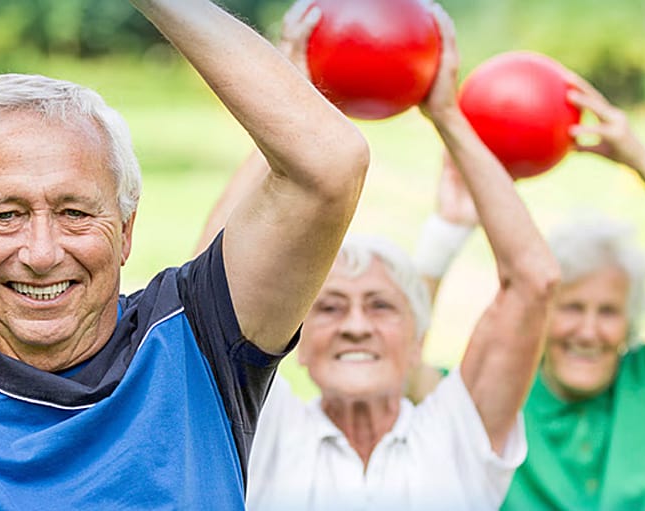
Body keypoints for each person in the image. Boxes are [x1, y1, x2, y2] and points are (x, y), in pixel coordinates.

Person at [0, 0, 371, 509]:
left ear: (125, 228)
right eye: (5, 215)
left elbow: (329, 163)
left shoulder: (195, 341)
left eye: (75, 212)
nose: (41, 252)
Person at [195, 3, 561, 510]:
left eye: (382, 306)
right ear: (295, 343)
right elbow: (211, 282)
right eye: (329, 307)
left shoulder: (457, 437)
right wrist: (292, 99)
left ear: (418, 343)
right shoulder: (263, 431)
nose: (355, 325)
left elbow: (533, 282)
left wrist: (448, 116)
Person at [497, 75, 645, 511]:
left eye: (608, 311)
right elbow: (406, 361)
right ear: (542, 313)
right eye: (571, 307)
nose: (587, 331)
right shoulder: (496, 393)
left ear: (630, 321)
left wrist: (641, 161)